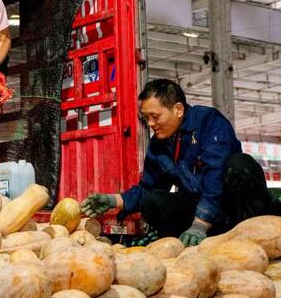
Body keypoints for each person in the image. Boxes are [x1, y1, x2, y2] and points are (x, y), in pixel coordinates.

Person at [82, 78, 269, 246]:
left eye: (155, 117)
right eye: (146, 118)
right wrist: (114, 200)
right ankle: (181, 246)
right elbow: (148, 188)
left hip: (229, 208)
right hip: (200, 215)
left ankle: (256, 239)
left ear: (178, 109)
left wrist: (201, 223)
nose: (150, 124)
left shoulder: (209, 122)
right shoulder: (159, 144)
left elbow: (215, 175)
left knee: (241, 165)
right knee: (152, 200)